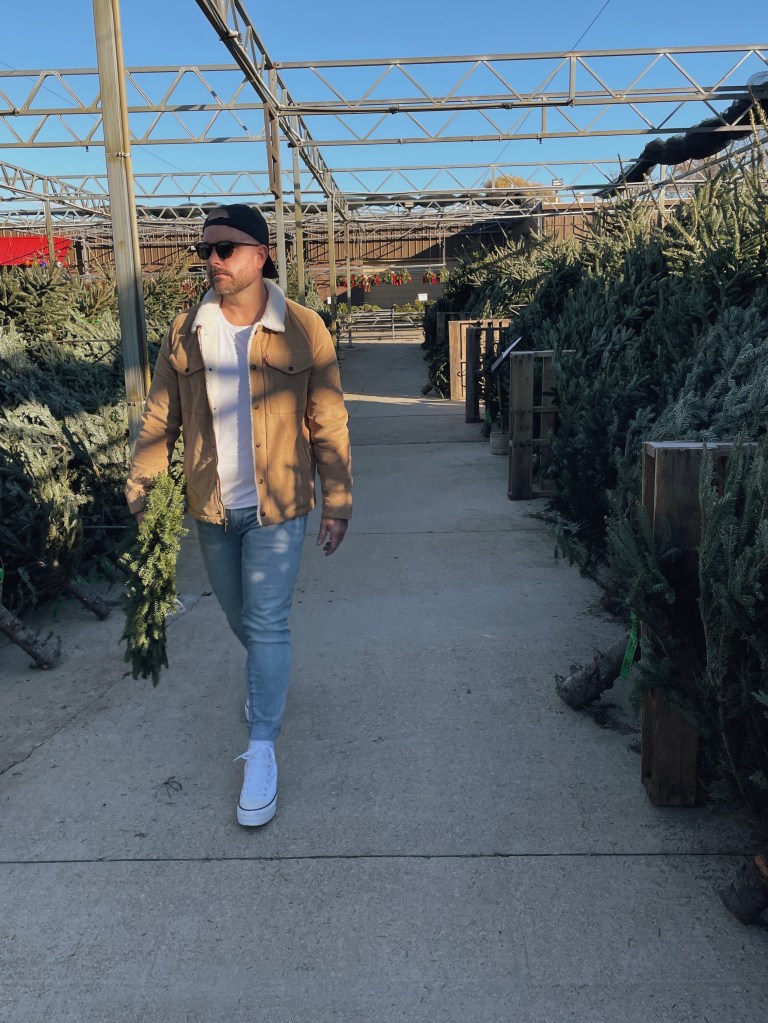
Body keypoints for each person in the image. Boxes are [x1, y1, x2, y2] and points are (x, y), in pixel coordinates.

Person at [126, 204, 352, 827]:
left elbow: (327, 418)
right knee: (241, 618)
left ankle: (261, 750)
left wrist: (338, 498)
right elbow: (157, 417)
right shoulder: (186, 332)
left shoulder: (305, 329)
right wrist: (142, 480)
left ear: (261, 255)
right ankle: (268, 686)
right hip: (212, 505)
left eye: (227, 249)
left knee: (269, 622)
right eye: (207, 251)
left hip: (279, 505)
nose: (214, 261)